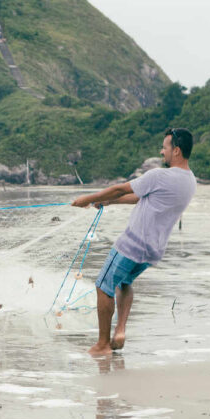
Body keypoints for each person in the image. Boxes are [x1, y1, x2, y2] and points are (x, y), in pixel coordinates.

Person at [72, 128, 196, 356]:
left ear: (176, 150)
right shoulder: (190, 182)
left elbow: (121, 188)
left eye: (165, 147)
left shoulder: (160, 175)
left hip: (132, 243)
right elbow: (139, 198)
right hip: (153, 250)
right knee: (124, 282)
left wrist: (88, 198)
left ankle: (102, 345)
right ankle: (119, 330)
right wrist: (109, 202)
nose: (162, 151)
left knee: (103, 286)